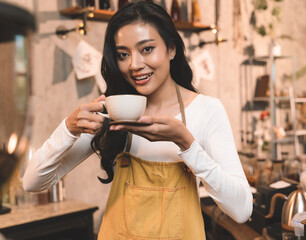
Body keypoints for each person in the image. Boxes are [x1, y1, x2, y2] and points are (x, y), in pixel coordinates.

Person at [23, 1, 253, 239]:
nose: (134, 65)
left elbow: (241, 210)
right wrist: (68, 129)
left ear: (171, 49)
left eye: (146, 49)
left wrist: (188, 145)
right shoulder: (114, 112)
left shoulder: (206, 110)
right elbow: (32, 182)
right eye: (123, 54)